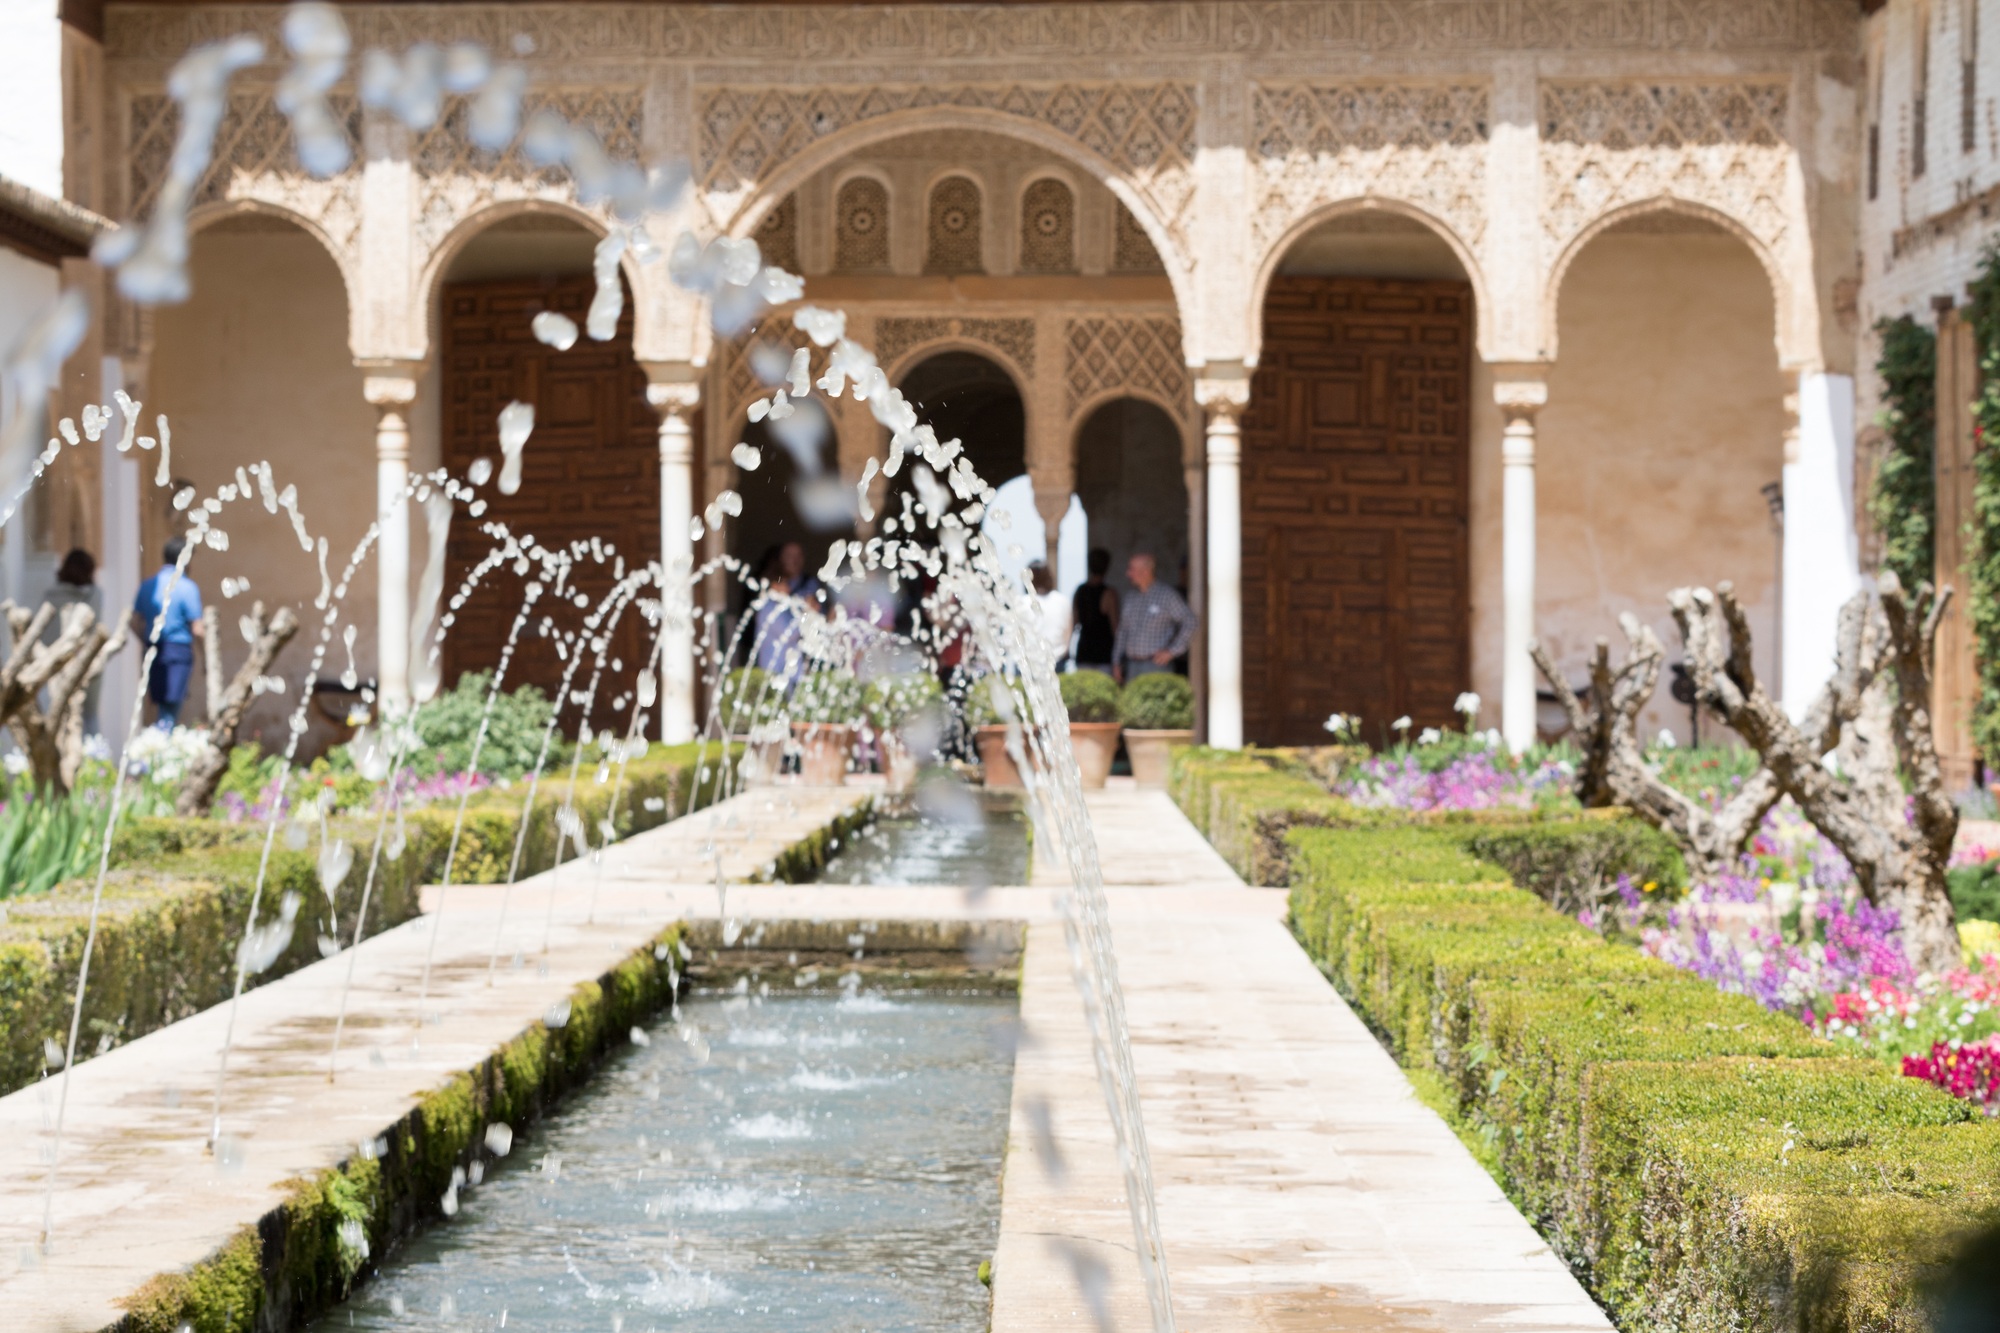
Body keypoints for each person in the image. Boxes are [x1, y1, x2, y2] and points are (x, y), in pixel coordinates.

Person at [131, 536, 204, 729]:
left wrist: (146, 641)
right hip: (178, 651)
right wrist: (205, 657)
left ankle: (158, 749)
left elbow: (133, 621)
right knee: (170, 710)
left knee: (161, 705)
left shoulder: (148, 585)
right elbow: (197, 628)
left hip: (153, 649)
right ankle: (163, 754)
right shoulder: (187, 587)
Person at [39, 548, 104, 736]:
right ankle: (94, 761)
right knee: (89, 715)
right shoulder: (94, 594)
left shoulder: (50, 596)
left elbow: (44, 634)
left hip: (54, 665)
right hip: (86, 664)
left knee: (57, 715)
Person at [1113, 551, 1195, 684]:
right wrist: (1116, 661)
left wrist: (1172, 651)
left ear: (1146, 571)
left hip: (1156, 667)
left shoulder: (1167, 596)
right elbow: (1122, 632)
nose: (1128, 574)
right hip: (1131, 666)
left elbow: (1190, 621)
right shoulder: (1130, 598)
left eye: (1132, 569)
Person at [1070, 546, 1118, 675]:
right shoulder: (1109, 593)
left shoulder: (1080, 591)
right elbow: (1115, 626)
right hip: (1103, 652)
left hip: (1084, 649)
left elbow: (1074, 623)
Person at [1029, 562, 1072, 668]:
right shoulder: (1062, 600)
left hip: (1033, 660)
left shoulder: (1022, 602)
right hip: (1057, 658)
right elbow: (1068, 631)